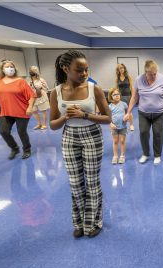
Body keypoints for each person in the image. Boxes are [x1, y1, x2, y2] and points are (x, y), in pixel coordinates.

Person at [49, 50, 112, 239]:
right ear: (66, 68)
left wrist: (84, 115)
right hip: (69, 136)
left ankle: (94, 222)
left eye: (86, 70)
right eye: (79, 70)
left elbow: (108, 118)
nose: (84, 74)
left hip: (92, 135)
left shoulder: (95, 89)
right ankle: (78, 222)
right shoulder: (56, 92)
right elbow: (52, 124)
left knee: (92, 182)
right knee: (76, 184)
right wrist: (64, 117)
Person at [125, 59, 163, 165]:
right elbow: (134, 97)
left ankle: (157, 155)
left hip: (159, 113)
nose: (154, 76)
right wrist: (128, 112)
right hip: (143, 112)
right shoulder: (138, 80)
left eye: (155, 74)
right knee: (143, 132)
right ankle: (145, 153)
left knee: (157, 133)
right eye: (151, 74)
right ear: (146, 72)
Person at [0, 59, 36, 160]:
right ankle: (14, 148)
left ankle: (27, 149)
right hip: (6, 111)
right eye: (7, 67)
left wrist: (30, 107)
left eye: (11, 67)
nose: (10, 68)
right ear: (2, 69)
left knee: (21, 132)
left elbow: (32, 95)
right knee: (3, 131)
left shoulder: (20, 81)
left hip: (21, 110)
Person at [108, 88, 128, 164]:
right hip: (114, 127)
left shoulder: (124, 104)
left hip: (123, 126)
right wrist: (111, 124)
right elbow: (108, 117)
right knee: (115, 141)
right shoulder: (110, 106)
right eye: (114, 95)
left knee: (122, 141)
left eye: (118, 94)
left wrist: (127, 117)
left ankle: (122, 156)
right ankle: (115, 156)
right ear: (111, 96)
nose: (117, 96)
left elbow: (128, 113)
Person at [28, 66, 50, 130]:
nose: (32, 72)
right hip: (32, 97)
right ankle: (39, 124)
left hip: (41, 97)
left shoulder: (41, 80)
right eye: (31, 70)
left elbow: (47, 88)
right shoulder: (29, 80)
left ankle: (44, 124)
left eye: (34, 70)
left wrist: (40, 91)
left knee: (43, 111)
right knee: (34, 111)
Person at [116, 63, 135, 131]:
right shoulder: (117, 78)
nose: (121, 69)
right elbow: (116, 89)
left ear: (124, 69)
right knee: (122, 112)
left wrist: (133, 96)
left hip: (128, 96)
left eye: (122, 68)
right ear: (118, 70)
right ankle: (123, 125)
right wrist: (116, 97)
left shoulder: (128, 77)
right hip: (121, 97)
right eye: (119, 68)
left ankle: (131, 125)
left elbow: (132, 87)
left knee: (129, 112)